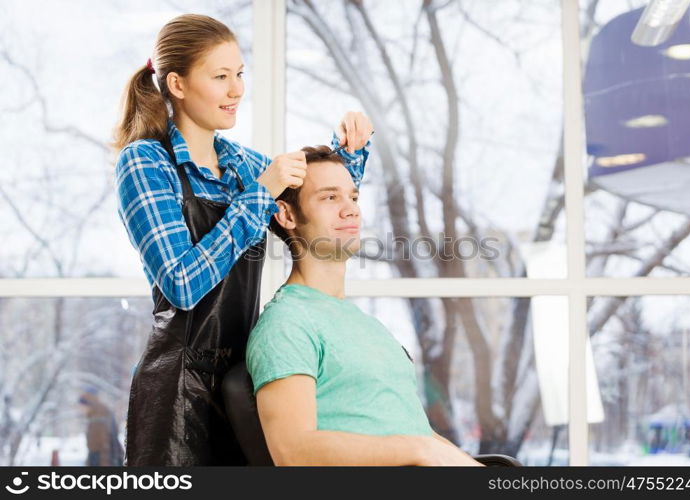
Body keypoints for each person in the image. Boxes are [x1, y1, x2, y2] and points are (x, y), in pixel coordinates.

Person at [112, 14, 372, 466]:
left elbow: (311, 216)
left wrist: (347, 152)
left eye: (240, 74)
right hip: (177, 392)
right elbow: (183, 284)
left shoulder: (241, 165)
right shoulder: (145, 162)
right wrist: (259, 195)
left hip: (246, 380)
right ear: (177, 83)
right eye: (221, 77)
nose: (237, 90)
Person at [245, 146, 483, 466]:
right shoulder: (287, 323)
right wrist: (419, 450)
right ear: (287, 215)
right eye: (330, 198)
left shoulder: (369, 326)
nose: (351, 210)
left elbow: (419, 436)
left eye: (353, 198)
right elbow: (294, 452)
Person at [78, 389, 124, 467]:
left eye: (81, 406)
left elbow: (102, 446)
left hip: (104, 460)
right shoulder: (97, 415)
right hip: (107, 458)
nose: (80, 409)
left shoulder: (98, 419)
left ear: (87, 405)